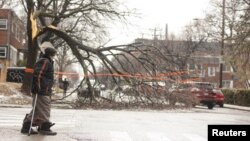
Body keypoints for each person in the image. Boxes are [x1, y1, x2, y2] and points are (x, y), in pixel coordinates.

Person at [21, 46, 57, 135]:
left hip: (43, 89)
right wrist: (37, 86)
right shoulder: (45, 61)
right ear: (51, 54)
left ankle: (26, 126)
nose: (54, 56)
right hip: (42, 90)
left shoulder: (47, 61)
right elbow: (38, 74)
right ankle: (44, 127)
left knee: (37, 110)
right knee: (45, 109)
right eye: (54, 54)